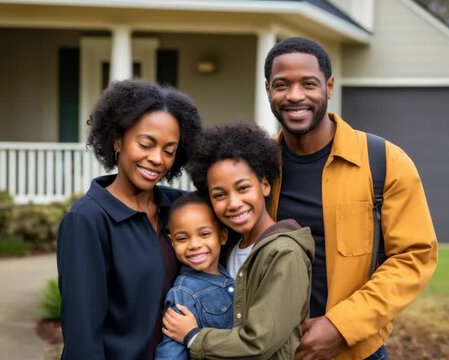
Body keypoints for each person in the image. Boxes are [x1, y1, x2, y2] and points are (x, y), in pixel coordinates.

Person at [264, 37, 438, 360]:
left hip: (356, 352)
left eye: (309, 84)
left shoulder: (384, 162)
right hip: (274, 351)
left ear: (329, 87)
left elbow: (414, 257)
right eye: (282, 85)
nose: (295, 95)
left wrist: (339, 327)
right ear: (268, 90)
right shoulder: (258, 169)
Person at [56, 79, 201, 359]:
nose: (157, 159)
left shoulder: (179, 208)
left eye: (169, 151)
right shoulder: (87, 220)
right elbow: (82, 337)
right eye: (146, 144)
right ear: (117, 139)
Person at [162, 123, 315, 359]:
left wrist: (193, 337)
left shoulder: (285, 253)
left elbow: (259, 342)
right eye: (219, 195)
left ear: (265, 185)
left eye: (243, 188)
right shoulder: (228, 246)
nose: (233, 203)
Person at [155, 192, 234, 360]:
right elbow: (171, 353)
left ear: (222, 236)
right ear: (172, 243)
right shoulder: (182, 293)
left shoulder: (231, 272)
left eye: (204, 234)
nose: (194, 245)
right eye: (182, 238)